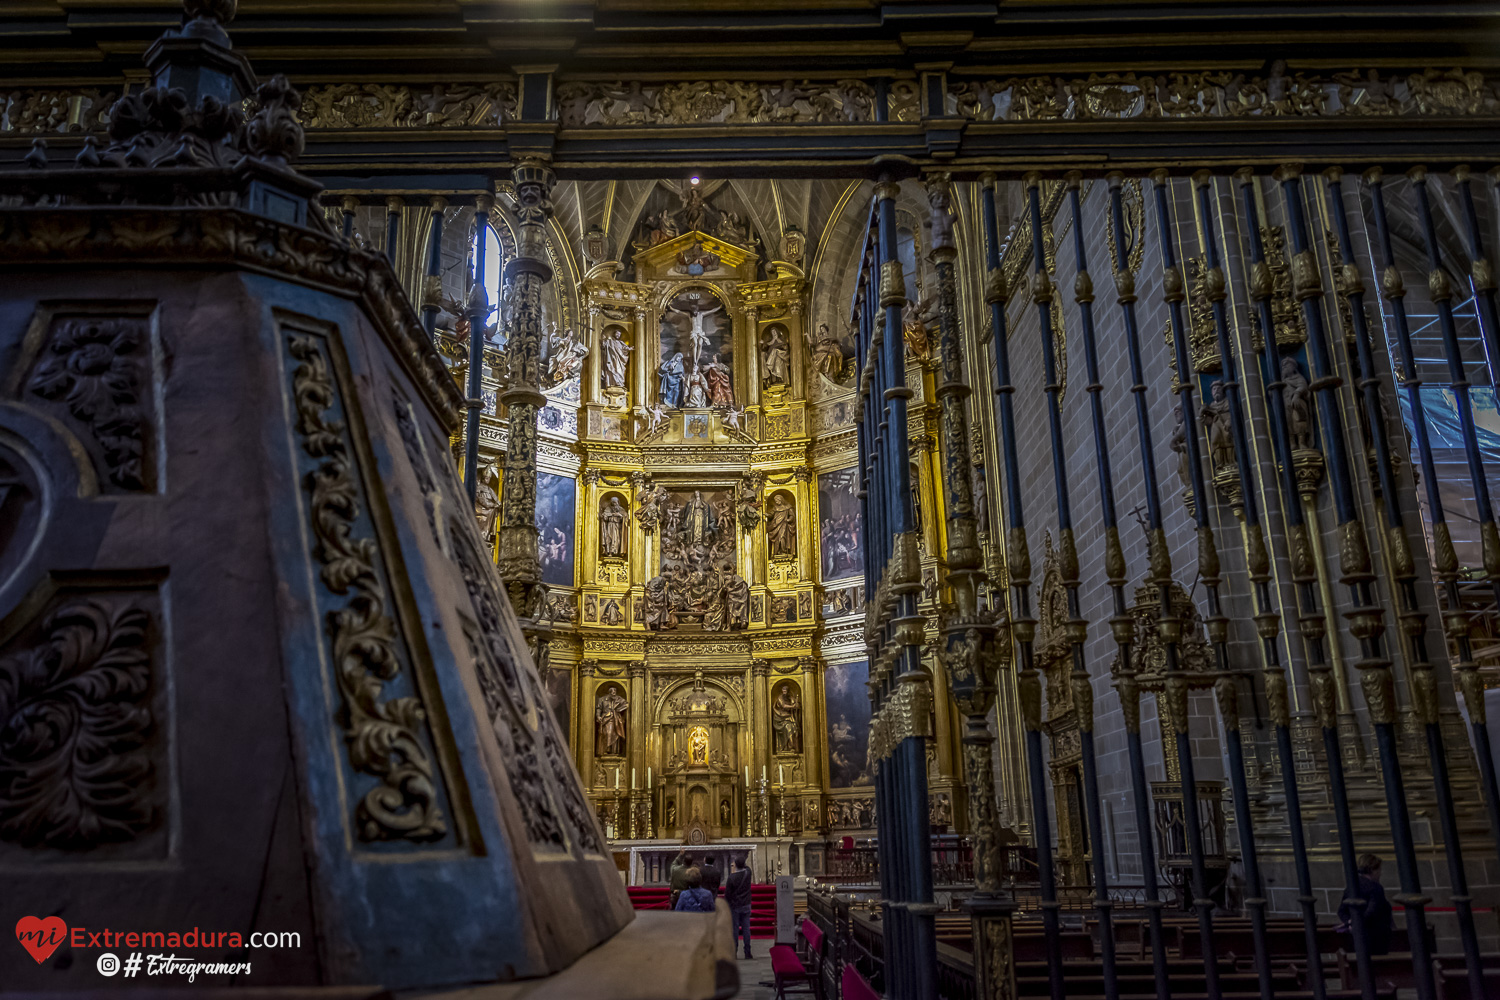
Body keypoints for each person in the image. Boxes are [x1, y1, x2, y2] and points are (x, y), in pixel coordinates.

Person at [1336, 853, 1394, 955]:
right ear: (1372, 870)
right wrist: (1356, 922)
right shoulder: (1375, 888)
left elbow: (1341, 911)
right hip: (1375, 936)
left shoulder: (1352, 886)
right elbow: (1372, 911)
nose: (1380, 873)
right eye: (1379, 870)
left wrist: (1350, 922)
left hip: (1355, 938)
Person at [724, 855, 754, 959]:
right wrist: (739, 863)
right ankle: (747, 951)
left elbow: (727, 894)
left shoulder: (732, 877)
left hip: (735, 905)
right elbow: (747, 867)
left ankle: (734, 952)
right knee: (746, 929)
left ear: (735, 865)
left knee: (735, 929)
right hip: (746, 904)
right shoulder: (748, 873)